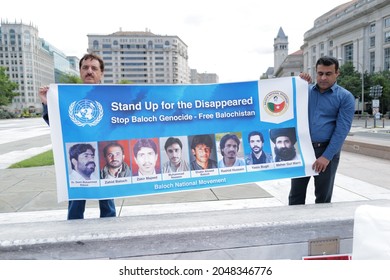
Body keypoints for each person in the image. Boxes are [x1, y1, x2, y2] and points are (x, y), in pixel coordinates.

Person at [38, 53, 116, 220]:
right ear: (80, 71)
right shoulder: (69, 97)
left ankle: (110, 229)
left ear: (101, 73)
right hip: (78, 155)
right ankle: (73, 233)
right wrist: (47, 103)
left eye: (94, 68)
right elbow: (58, 125)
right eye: (85, 68)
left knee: (107, 199)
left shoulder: (111, 96)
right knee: (76, 201)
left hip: (101, 153)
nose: (89, 71)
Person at [289, 56, 355, 205]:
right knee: (295, 195)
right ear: (315, 72)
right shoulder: (304, 91)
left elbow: (341, 130)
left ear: (337, 73)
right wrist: (299, 82)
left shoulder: (345, 97)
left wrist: (327, 156)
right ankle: (293, 227)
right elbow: (284, 101)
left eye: (328, 73)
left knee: (323, 197)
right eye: (320, 73)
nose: (323, 78)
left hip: (327, 150)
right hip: (303, 150)